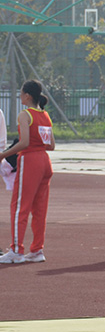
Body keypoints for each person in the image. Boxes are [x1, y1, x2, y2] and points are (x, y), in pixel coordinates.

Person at [0, 81, 54, 263]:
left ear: (27, 96)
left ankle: (16, 250)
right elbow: (51, 145)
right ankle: (37, 249)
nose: (20, 96)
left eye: (21, 93)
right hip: (45, 161)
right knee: (39, 209)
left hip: (30, 160)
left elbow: (24, 143)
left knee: (19, 207)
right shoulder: (45, 115)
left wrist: (3, 155)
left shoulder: (25, 115)